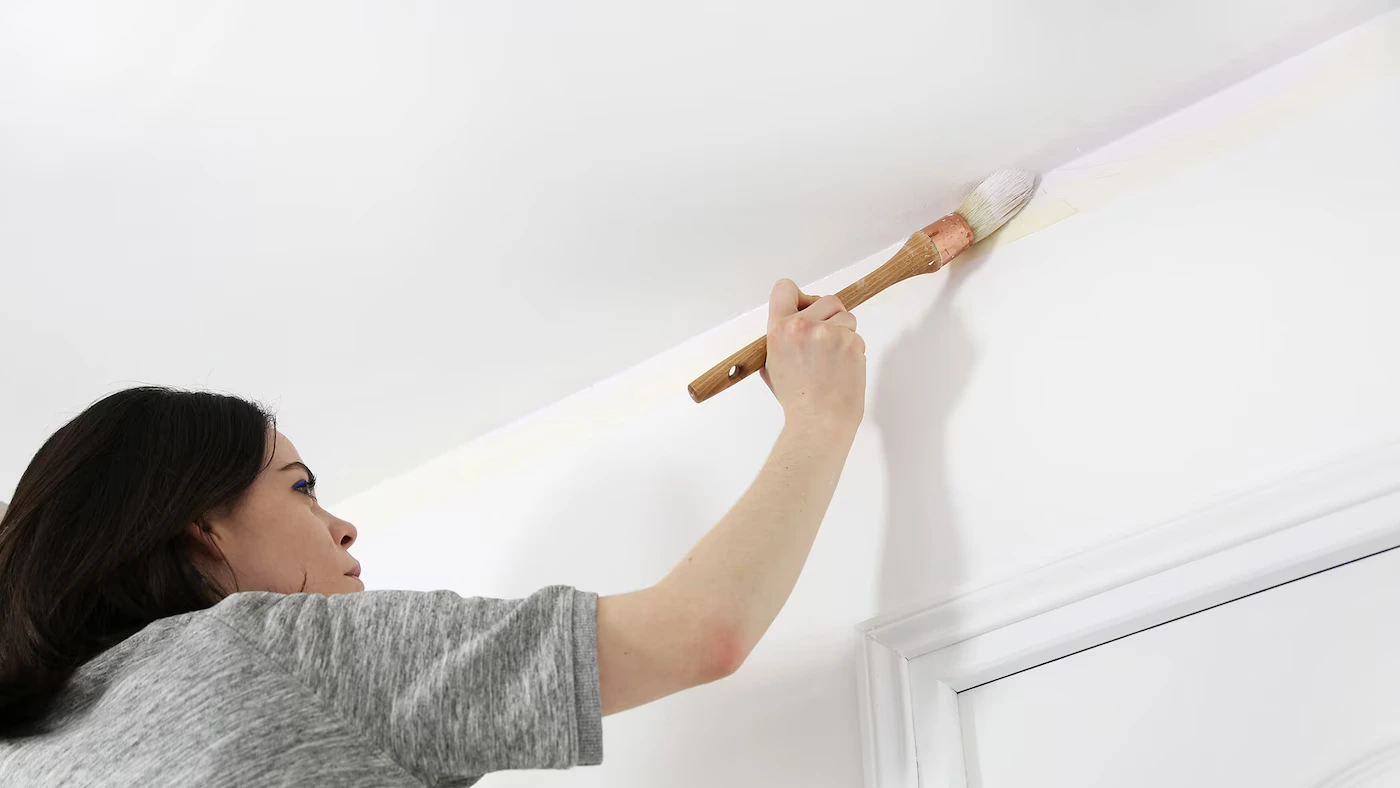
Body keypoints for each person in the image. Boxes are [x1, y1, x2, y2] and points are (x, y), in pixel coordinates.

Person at [0, 279, 865, 786]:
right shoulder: (258, 648)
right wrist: (820, 417)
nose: (341, 526)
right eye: (299, 490)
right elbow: (699, 631)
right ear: (200, 530)